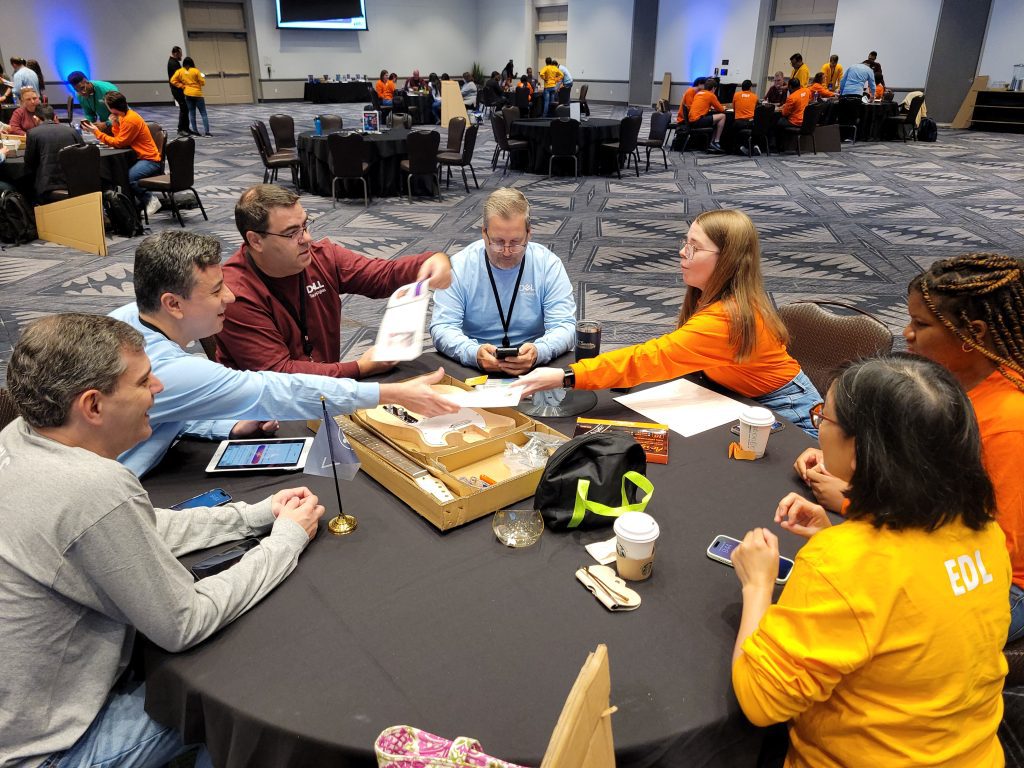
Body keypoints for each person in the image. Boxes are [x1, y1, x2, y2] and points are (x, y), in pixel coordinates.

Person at [0, 312, 326, 768]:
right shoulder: (94, 487)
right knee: (246, 702)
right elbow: (184, 623)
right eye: (143, 381)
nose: (159, 390)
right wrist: (286, 543)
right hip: (49, 754)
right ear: (92, 406)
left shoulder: (19, 437)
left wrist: (252, 517)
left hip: (16, 720)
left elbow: (138, 527)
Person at [731, 355, 1009, 767]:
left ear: (859, 451)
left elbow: (760, 700)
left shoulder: (842, 562)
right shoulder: (986, 531)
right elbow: (908, 604)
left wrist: (757, 587)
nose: (818, 427)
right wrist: (838, 532)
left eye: (823, 417)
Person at [795, 254, 1024, 644]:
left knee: (848, 623)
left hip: (997, 583)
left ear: (975, 333)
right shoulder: (944, 389)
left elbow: (995, 546)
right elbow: (922, 473)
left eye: (921, 324)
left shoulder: (1010, 422)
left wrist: (857, 501)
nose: (907, 333)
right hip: (932, 540)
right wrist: (845, 467)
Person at [108, 230, 459, 477]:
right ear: (173, 304)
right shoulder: (165, 370)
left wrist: (225, 425)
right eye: (216, 291)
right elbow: (277, 388)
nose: (230, 298)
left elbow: (169, 409)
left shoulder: (129, 316)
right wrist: (394, 393)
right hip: (127, 487)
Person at [518, 210, 820, 435]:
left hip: (787, 411)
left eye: (694, 247)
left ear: (726, 260)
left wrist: (565, 377)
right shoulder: (719, 297)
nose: (682, 252)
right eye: (685, 242)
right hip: (740, 395)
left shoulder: (726, 319)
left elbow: (651, 357)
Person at [217, 183, 452, 378]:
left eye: (305, 225)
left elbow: (383, 275)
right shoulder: (233, 293)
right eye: (292, 233)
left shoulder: (321, 257)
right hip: (266, 412)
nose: (306, 239)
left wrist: (430, 261)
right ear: (256, 241)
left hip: (325, 392)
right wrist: (359, 368)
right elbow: (280, 373)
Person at [431, 188, 575, 373]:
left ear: (529, 233)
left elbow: (565, 325)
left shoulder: (548, 264)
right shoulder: (459, 266)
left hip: (534, 365)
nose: (506, 252)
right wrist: (473, 353)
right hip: (474, 365)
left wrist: (539, 351)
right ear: (484, 233)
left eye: (516, 242)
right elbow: (442, 327)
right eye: (498, 242)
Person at [81, 91, 163, 219]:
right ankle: (131, 201)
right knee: (119, 174)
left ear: (111, 108)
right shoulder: (124, 117)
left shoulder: (130, 120)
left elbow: (119, 143)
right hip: (139, 157)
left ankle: (151, 200)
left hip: (150, 160)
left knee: (130, 178)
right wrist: (114, 123)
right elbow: (120, 138)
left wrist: (96, 132)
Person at [23, 105, 84, 202]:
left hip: (47, 186)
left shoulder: (33, 133)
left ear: (35, 119)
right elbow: (83, 155)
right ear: (55, 117)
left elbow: (29, 163)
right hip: (76, 183)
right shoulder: (72, 131)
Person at [171, 56, 210, 137]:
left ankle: (195, 132)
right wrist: (202, 78)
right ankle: (207, 132)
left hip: (187, 93)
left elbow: (172, 80)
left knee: (192, 113)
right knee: (203, 113)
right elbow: (202, 83)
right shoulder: (195, 71)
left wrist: (182, 86)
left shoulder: (180, 71)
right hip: (197, 94)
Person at [688, 76, 726, 153]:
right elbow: (721, 109)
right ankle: (716, 141)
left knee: (716, 121)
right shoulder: (711, 95)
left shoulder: (698, 93)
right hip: (698, 121)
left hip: (691, 121)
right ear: (714, 88)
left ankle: (711, 142)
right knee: (722, 116)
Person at [776, 77, 810, 149]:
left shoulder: (792, 97)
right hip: (805, 121)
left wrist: (781, 109)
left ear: (790, 87)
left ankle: (777, 146)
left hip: (795, 122)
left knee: (776, 121)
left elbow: (785, 113)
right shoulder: (807, 91)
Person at [167, 45, 190, 137]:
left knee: (185, 109)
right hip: (177, 90)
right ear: (176, 53)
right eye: (180, 54)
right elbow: (176, 79)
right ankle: (181, 129)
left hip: (178, 89)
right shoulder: (173, 63)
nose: (181, 56)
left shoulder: (174, 62)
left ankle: (186, 128)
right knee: (184, 109)